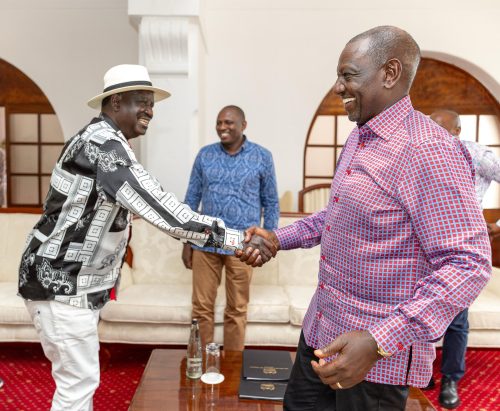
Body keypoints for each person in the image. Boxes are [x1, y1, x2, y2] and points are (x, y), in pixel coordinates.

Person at [238, 26, 491, 410]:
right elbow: (337, 216)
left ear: (389, 74)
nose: (338, 87)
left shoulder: (429, 150)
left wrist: (378, 341)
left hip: (371, 362)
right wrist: (278, 238)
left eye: (348, 75)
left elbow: (469, 264)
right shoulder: (359, 136)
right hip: (320, 330)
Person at [17, 64, 268, 411]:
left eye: (152, 103)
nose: (150, 110)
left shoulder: (105, 140)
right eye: (142, 101)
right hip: (60, 284)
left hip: (65, 285)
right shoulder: (103, 146)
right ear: (116, 102)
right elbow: (162, 208)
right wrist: (236, 240)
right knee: (77, 385)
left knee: (77, 382)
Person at [182, 105, 279, 351]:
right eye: (219, 123)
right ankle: (202, 361)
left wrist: (268, 240)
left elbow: (271, 202)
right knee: (201, 308)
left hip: (242, 244)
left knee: (236, 309)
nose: (223, 128)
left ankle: (233, 368)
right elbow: (191, 198)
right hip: (205, 241)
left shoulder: (262, 157)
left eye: (229, 123)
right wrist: (186, 241)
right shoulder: (205, 155)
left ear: (243, 125)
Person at [429, 109, 500, 408]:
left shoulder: (477, 155)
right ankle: (420, 371)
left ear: (458, 131)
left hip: (465, 248)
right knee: (420, 309)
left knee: (456, 318)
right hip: (425, 245)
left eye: (441, 130)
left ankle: (450, 378)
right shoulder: (421, 155)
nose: (433, 135)